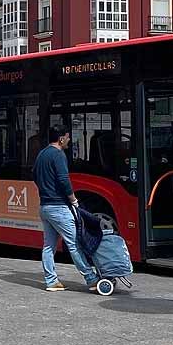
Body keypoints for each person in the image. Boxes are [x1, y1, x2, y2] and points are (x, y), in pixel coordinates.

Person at [33, 125, 98, 292]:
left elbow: (34, 175)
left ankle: (51, 281)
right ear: (61, 139)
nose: (69, 140)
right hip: (59, 207)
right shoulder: (58, 155)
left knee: (48, 246)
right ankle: (91, 278)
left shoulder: (42, 154)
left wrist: (46, 190)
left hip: (45, 207)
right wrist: (73, 199)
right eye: (68, 137)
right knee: (74, 243)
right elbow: (64, 180)